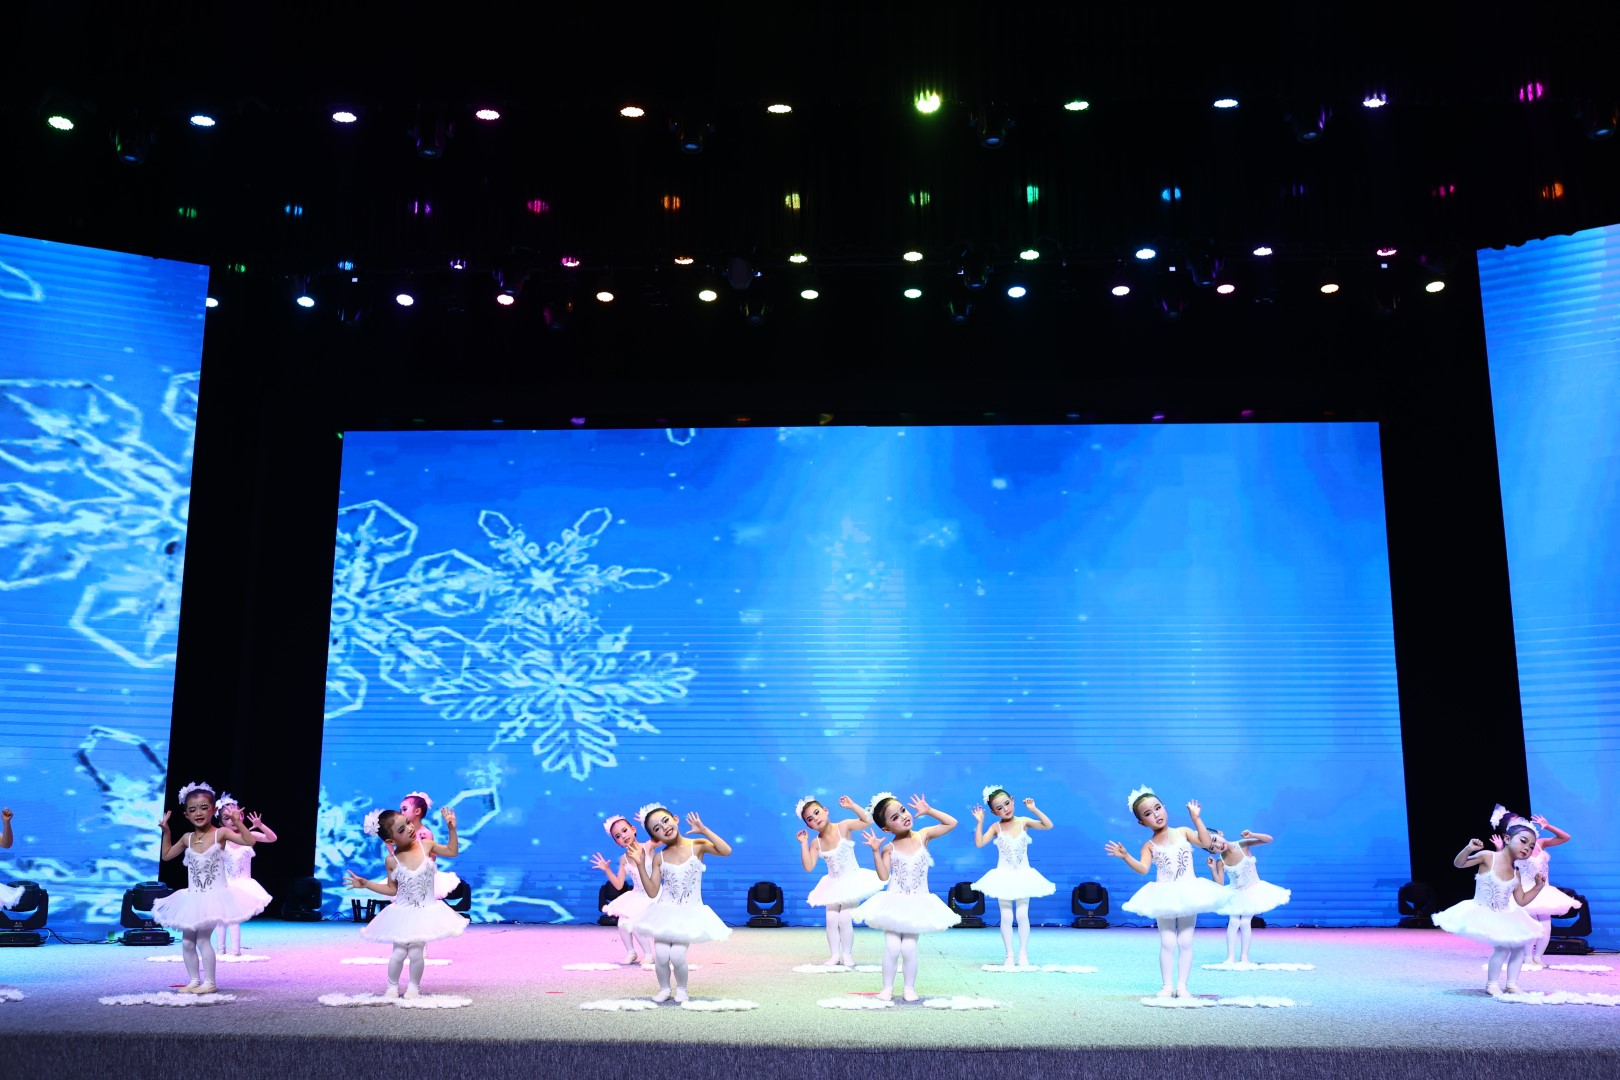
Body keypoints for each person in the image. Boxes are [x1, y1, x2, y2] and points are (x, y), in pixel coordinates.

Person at [1105, 786, 1223, 998]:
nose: (1156, 814)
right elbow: (1143, 869)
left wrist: (1196, 818)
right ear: (1142, 822)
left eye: (1158, 808)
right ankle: (1167, 986)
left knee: (1185, 941)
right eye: (1148, 813)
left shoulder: (1183, 831)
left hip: (1188, 892)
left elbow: (1206, 842)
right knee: (1167, 942)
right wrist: (1125, 856)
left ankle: (1182, 986)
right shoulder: (1149, 845)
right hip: (1164, 896)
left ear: (1164, 807)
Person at [152, 782, 266, 994]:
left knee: (203, 939)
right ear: (186, 814)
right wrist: (166, 832)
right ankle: (194, 980)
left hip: (214, 897)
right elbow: (166, 856)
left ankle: (210, 982)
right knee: (187, 942)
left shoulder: (220, 833)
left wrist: (237, 822)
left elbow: (249, 841)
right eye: (193, 809)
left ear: (213, 810)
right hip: (192, 897)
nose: (198, 813)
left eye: (204, 808)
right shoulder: (187, 838)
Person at [345, 807, 467, 998]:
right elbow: (392, 889)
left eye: (408, 823)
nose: (410, 828)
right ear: (391, 841)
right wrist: (367, 884)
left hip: (425, 911)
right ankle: (392, 987)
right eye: (401, 829)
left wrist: (452, 828)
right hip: (402, 912)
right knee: (399, 953)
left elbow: (452, 851)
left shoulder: (426, 845)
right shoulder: (392, 860)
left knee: (417, 952)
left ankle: (413, 987)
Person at [851, 793, 960, 1001]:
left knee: (909, 948)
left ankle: (909, 988)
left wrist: (929, 811)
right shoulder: (889, 848)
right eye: (895, 818)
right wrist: (875, 851)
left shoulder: (923, 836)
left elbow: (951, 823)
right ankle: (887, 988)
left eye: (903, 810)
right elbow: (884, 876)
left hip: (917, 904)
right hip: (894, 903)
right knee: (892, 948)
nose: (903, 817)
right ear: (886, 829)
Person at [1435, 814, 1547, 996]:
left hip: (1505, 913)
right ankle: (1492, 984)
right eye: (1523, 841)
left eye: (1531, 846)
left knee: (1519, 946)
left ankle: (1512, 984)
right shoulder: (1488, 856)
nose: (1527, 848)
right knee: (1502, 947)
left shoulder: (1516, 873)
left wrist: (1538, 887)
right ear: (1507, 839)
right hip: (1483, 910)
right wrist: (1469, 848)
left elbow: (1521, 900)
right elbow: (1459, 864)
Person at [630, 803, 733, 1003]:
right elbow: (652, 891)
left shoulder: (697, 846)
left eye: (665, 821)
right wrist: (641, 865)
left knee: (677, 956)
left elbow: (726, 851)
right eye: (657, 828)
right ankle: (664, 989)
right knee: (661, 956)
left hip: (688, 912)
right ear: (655, 837)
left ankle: (682, 989)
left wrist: (704, 830)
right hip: (665, 911)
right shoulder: (659, 857)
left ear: (675, 819)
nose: (664, 828)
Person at [970, 785, 1056, 967]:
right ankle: (1009, 954)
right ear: (994, 812)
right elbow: (979, 843)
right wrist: (979, 822)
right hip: (1003, 876)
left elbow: (1048, 825)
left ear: (1013, 800)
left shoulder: (1024, 821)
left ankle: (1023, 953)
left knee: (1022, 914)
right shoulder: (996, 827)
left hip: (1024, 875)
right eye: (999, 808)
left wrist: (1033, 809)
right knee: (1007, 916)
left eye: (1007, 803)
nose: (1005, 809)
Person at [796, 794, 882, 967]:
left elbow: (868, 821)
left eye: (817, 813)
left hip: (852, 881)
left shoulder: (843, 826)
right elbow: (809, 866)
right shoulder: (816, 843)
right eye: (810, 819)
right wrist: (804, 844)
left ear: (825, 811)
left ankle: (847, 955)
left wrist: (852, 805)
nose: (816, 819)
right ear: (808, 825)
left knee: (844, 918)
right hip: (833, 884)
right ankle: (835, 955)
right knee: (831, 919)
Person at [1493, 805, 1578, 970]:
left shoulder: (1539, 843)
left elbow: (1565, 837)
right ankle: (1527, 957)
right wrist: (1499, 849)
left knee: (1546, 925)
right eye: (1514, 824)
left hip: (1544, 890)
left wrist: (1548, 826)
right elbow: (1500, 866)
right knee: (1530, 925)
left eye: (1520, 821)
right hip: (1525, 891)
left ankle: (1538, 957)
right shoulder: (1511, 848)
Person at [1206, 827, 1289, 965]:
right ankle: (1230, 957)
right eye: (1212, 848)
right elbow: (1219, 884)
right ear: (1211, 852)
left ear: (1220, 833)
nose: (1217, 845)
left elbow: (1268, 839)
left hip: (1252, 890)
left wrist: (1252, 834)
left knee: (1245, 922)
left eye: (1215, 839)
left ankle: (1244, 957)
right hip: (1235, 892)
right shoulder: (1221, 861)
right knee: (1233, 922)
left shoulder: (1242, 845)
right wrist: (1213, 869)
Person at [212, 793, 276, 956]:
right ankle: (220, 950)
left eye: (236, 814)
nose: (232, 820)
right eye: (227, 818)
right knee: (220, 917)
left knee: (233, 917)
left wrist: (260, 825)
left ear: (241, 816)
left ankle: (235, 951)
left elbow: (272, 838)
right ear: (220, 821)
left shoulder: (248, 835)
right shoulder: (219, 837)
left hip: (243, 883)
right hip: (224, 883)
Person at [590, 814, 656, 964]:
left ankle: (648, 955)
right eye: (618, 836)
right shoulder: (624, 859)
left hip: (653, 894)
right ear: (617, 842)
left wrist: (647, 823)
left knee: (634, 920)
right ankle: (631, 952)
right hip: (638, 895)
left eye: (625, 831)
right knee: (622, 921)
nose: (623, 836)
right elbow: (619, 885)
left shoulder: (648, 846)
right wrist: (607, 870)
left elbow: (662, 838)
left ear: (633, 829)